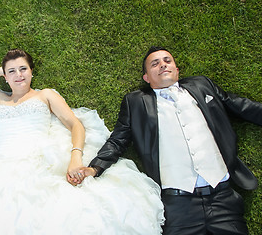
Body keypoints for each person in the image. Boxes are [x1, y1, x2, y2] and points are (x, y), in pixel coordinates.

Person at [0, 49, 164, 234]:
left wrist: (75, 156)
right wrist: (2, 69)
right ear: (5, 76)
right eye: (12, 72)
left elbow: (75, 124)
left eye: (23, 69)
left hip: (38, 164)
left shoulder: (45, 95)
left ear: (31, 72)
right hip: (0, 167)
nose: (18, 75)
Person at [77, 46, 262, 235]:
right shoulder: (136, 102)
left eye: (167, 61)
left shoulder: (202, 85)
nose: (163, 65)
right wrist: (95, 167)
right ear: (147, 78)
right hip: (177, 206)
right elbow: (118, 140)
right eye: (155, 64)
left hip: (222, 197)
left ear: (177, 69)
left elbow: (240, 106)